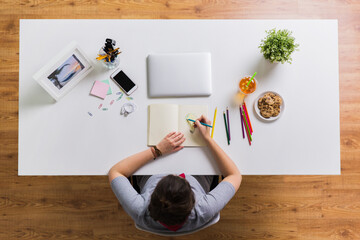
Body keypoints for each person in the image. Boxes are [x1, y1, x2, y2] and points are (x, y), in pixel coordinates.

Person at [108, 115, 242, 234]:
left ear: (152, 198)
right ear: (192, 202)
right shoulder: (204, 209)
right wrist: (207, 138)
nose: (176, 172)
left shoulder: (139, 209)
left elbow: (115, 171)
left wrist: (157, 150)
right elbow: (234, 175)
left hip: (151, 168)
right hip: (199, 174)